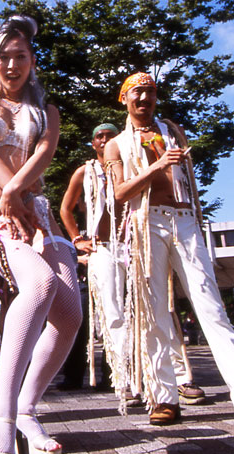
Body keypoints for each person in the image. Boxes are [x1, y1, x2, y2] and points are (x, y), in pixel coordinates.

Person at [104, 72, 234, 430]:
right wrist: (159, 166)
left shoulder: (172, 131)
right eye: (137, 92)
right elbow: (119, 194)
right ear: (124, 98)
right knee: (154, 313)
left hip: (185, 221)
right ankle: (163, 398)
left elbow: (187, 179)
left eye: (150, 92)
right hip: (146, 224)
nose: (144, 98)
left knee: (212, 309)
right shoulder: (115, 145)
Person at [0, 15, 82, 454]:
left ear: (32, 61)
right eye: (3, 56)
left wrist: (20, 191)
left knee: (70, 313)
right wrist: (8, 193)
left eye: (21, 55)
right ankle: (0, 427)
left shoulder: (46, 108)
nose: (12, 63)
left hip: (37, 213)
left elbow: (46, 152)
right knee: (40, 285)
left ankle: (28, 411)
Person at [60, 124, 205, 412]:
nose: (104, 140)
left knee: (158, 308)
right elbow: (66, 207)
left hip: (138, 240)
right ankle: (127, 383)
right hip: (104, 247)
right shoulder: (84, 172)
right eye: (99, 136)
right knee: (113, 315)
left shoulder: (133, 160)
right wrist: (77, 239)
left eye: (109, 135)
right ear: (92, 143)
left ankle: (180, 378)